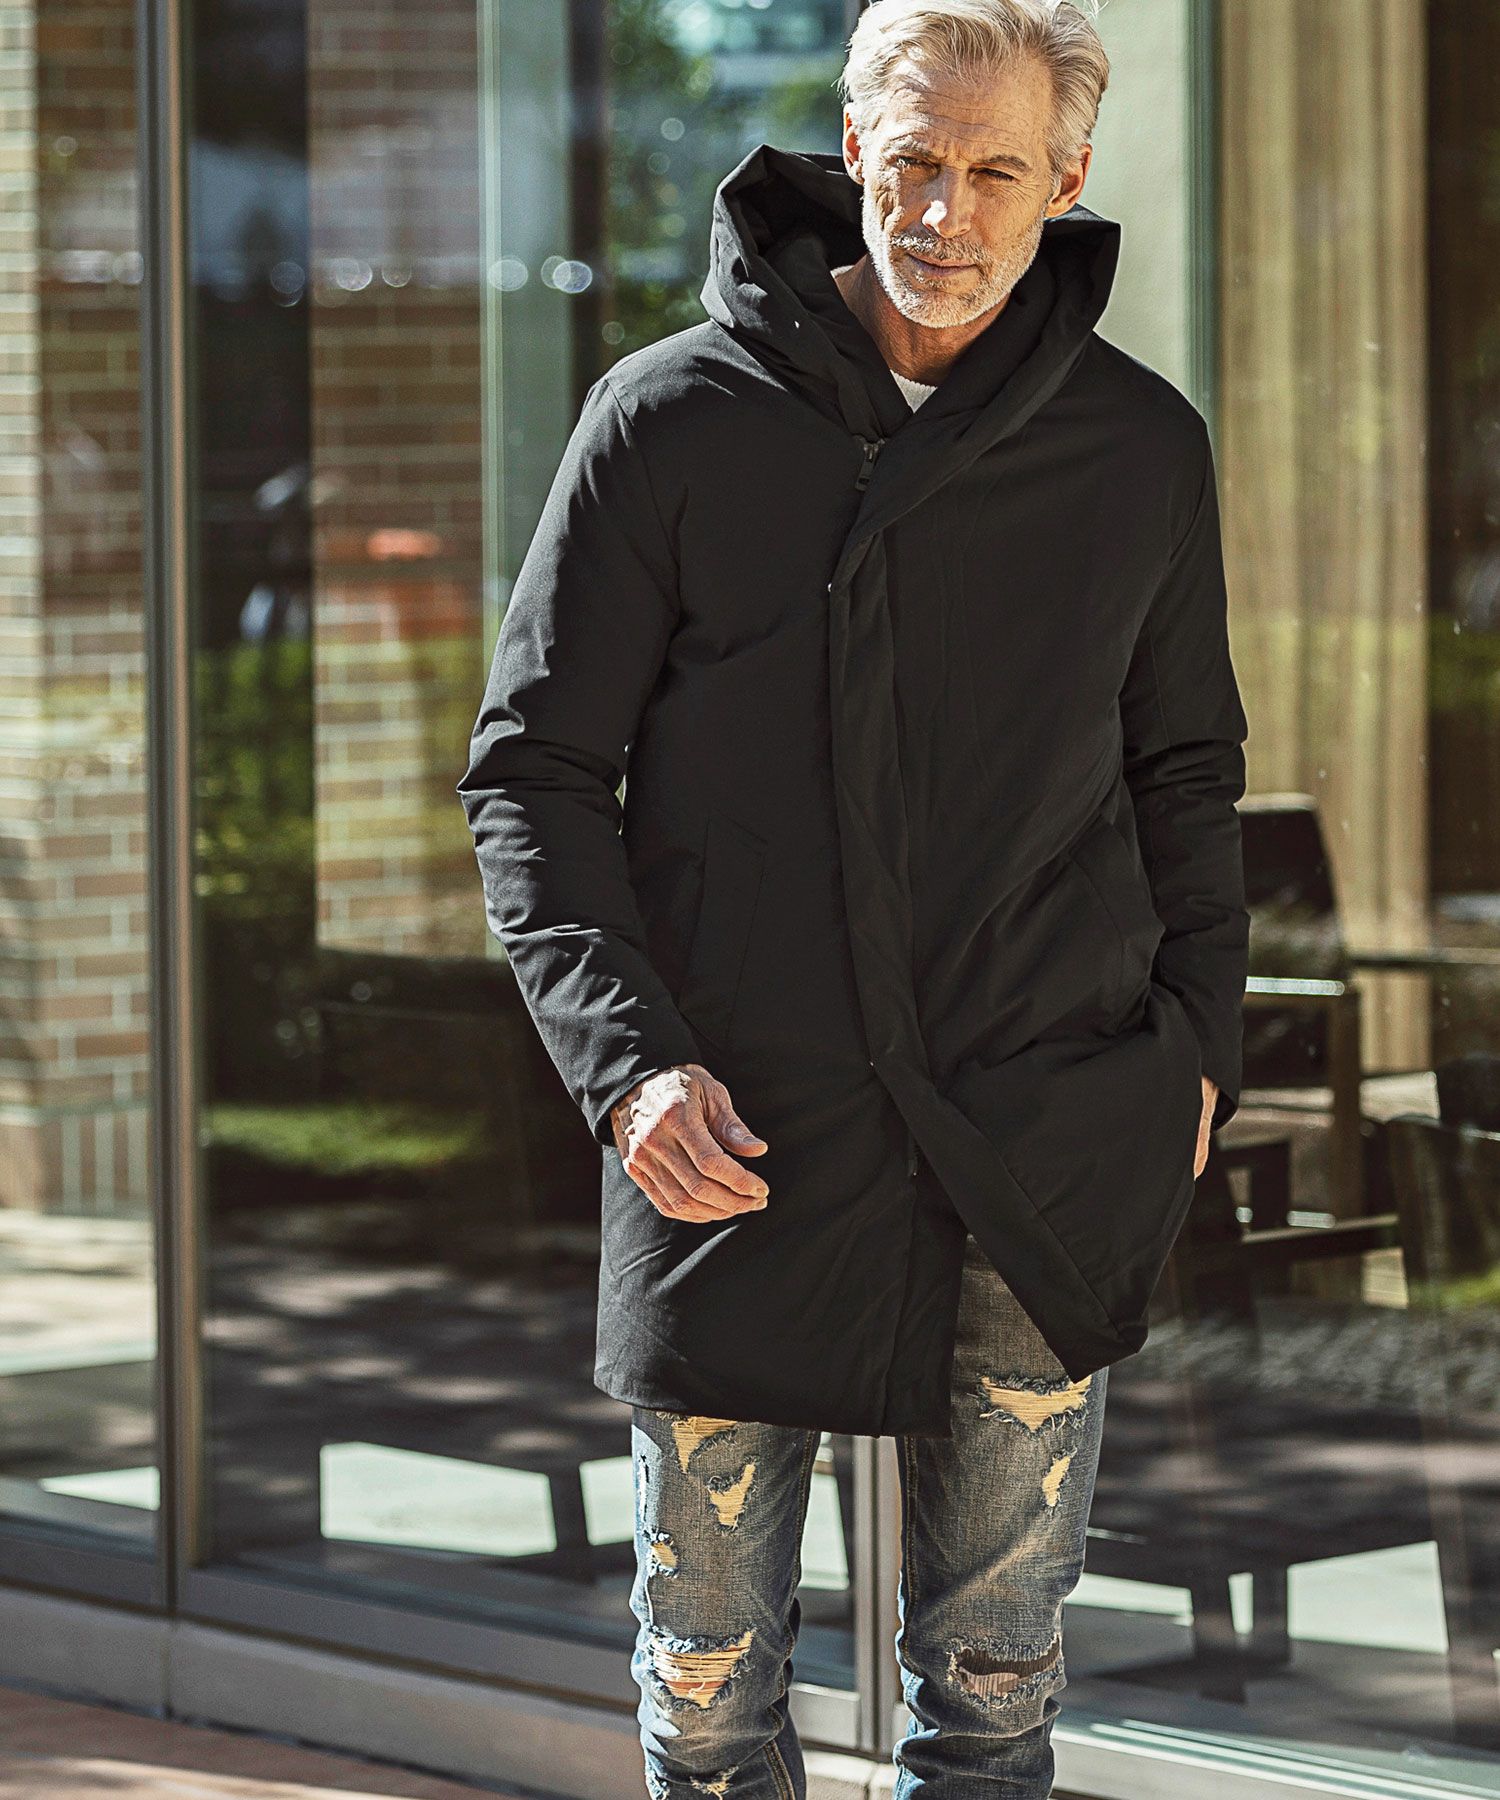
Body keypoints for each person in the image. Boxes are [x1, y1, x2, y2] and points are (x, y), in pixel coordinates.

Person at [457, 0, 1250, 1790]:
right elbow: (534, 774)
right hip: (731, 1133)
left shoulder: (1139, 449)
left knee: (995, 1688)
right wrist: (628, 1070)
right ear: (850, 151)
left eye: (997, 173)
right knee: (708, 1688)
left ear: (1069, 177)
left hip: (1044, 1130)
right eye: (914, 165)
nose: (947, 216)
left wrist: (1199, 1052)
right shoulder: (667, 418)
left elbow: (1187, 776)